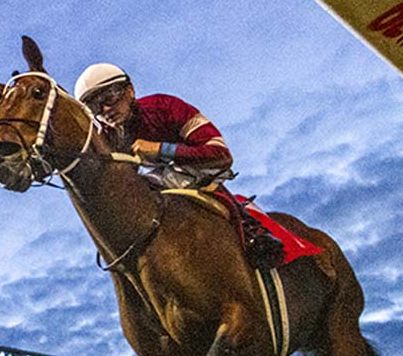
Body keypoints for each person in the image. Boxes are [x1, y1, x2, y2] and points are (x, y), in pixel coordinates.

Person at [74, 63, 285, 268]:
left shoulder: (165, 107)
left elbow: (222, 155)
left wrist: (160, 149)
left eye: (109, 99)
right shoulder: (108, 136)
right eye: (95, 108)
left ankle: (252, 231)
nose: (105, 111)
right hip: (161, 185)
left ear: (130, 91)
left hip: (202, 170)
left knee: (154, 179)